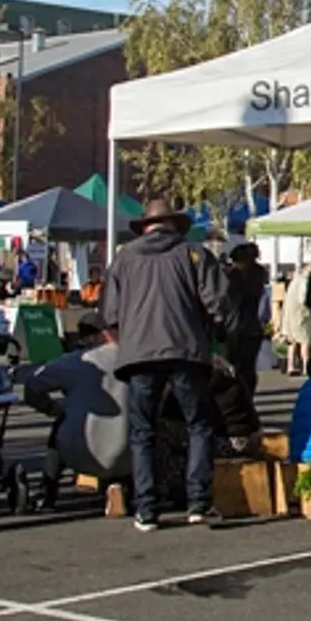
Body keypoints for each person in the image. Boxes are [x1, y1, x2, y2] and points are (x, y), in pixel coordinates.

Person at [101, 194, 233, 531]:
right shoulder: (193, 254)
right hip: (186, 351)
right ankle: (198, 502)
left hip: (140, 356)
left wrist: (127, 341)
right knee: (199, 425)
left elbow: (108, 315)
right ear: (174, 223)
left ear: (146, 225)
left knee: (143, 432)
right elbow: (220, 304)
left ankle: (146, 508)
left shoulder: (124, 260)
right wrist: (220, 337)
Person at [23, 324, 130, 501]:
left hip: (85, 453)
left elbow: (32, 385)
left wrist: (51, 408)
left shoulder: (79, 361)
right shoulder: (140, 360)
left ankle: (47, 491)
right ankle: (123, 486)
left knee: (62, 422)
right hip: (133, 456)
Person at [222, 244, 271, 399]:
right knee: (248, 368)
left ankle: (234, 397)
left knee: (231, 367)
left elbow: (226, 301)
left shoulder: (232, 277)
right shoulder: (259, 274)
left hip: (232, 328)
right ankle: (247, 397)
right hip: (252, 328)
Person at [279, 260, 311, 377]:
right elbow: (303, 298)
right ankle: (306, 366)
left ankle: (291, 365)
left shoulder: (295, 280)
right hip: (301, 314)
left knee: (292, 340)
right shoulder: (304, 281)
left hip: (290, 313)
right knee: (305, 340)